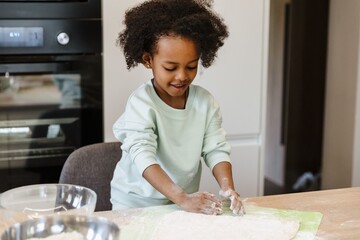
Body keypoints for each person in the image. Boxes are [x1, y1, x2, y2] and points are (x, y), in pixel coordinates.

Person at [111, 0, 245, 215]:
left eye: (191, 66)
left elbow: (216, 149)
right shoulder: (141, 103)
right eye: (170, 67)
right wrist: (182, 198)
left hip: (181, 202)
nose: (182, 76)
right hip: (135, 204)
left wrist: (228, 187)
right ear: (148, 60)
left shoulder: (204, 103)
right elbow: (143, 156)